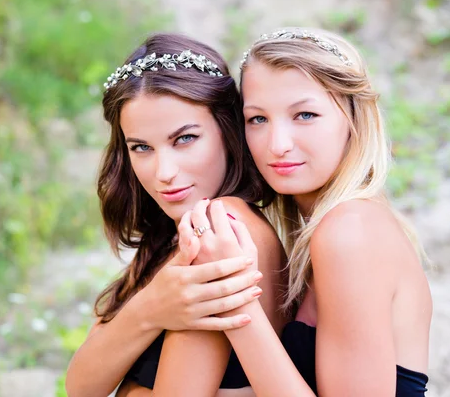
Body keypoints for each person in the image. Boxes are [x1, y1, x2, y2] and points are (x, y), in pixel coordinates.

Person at [175, 28, 432, 396]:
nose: (277, 145)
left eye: (305, 115)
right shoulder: (326, 231)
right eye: (258, 119)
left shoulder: (350, 232)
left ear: (353, 119)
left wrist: (233, 299)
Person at [65, 33, 289, 397]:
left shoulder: (219, 231)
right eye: (141, 147)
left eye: (184, 139)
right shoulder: (172, 237)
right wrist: (151, 307)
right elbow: (81, 386)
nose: (164, 171)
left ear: (227, 130)